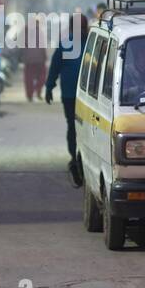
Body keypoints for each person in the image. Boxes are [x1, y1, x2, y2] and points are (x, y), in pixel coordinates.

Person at [45, 14, 88, 187]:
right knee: (73, 125)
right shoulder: (66, 44)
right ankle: (75, 159)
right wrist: (49, 86)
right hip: (73, 95)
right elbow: (55, 66)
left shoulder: (92, 42)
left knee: (79, 127)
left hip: (88, 97)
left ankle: (81, 158)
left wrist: (49, 86)